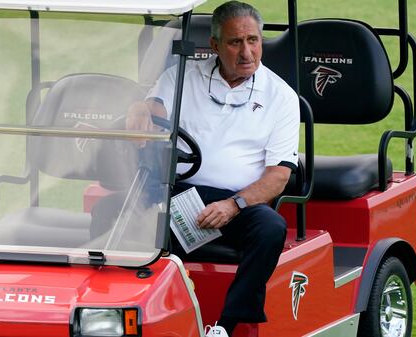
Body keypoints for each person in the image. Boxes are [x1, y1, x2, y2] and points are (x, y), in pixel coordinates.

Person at [127, 1, 300, 336]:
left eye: (253, 40)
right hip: (179, 194)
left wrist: (232, 205)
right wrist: (139, 108)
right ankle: (120, 311)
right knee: (112, 211)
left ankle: (227, 324)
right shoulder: (182, 76)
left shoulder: (281, 96)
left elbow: (279, 175)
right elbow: (153, 105)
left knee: (270, 228)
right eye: (236, 42)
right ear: (216, 45)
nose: (247, 52)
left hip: (238, 204)